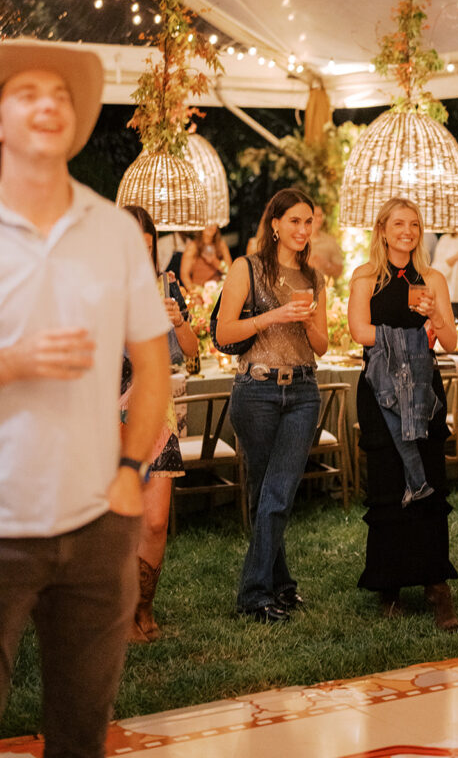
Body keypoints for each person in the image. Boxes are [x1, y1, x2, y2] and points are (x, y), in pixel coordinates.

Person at [0, 40, 170, 755]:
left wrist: (131, 473)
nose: (48, 104)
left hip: (99, 524)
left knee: (81, 734)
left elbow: (154, 367)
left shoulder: (112, 230)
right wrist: (14, 362)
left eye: (61, 95)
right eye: (27, 91)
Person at [215, 188, 328, 624]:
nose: (302, 229)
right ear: (275, 224)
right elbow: (225, 334)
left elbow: (320, 345)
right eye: (294, 221)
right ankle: (272, 589)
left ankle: (258, 591)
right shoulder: (248, 268)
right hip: (256, 389)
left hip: (302, 390)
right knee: (267, 494)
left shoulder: (315, 278)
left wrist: (310, 321)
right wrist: (272, 317)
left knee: (278, 492)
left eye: (308, 221)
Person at [347, 197, 458, 631]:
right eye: (399, 224)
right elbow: (359, 331)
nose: (407, 231)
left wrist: (435, 316)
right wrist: (413, 337)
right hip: (379, 393)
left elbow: (448, 342)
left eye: (414, 224)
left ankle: (437, 584)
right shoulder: (365, 278)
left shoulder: (432, 279)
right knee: (388, 482)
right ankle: (389, 584)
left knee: (429, 480)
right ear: (383, 229)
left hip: (424, 392)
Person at [122, 205, 199, 642]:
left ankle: (144, 607)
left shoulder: (167, 285)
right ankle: (120, 614)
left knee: (155, 522)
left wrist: (178, 320)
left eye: (146, 241)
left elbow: (189, 351)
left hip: (158, 413)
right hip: (111, 412)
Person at [180, 223, 232, 294]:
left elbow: (230, 271)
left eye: (213, 223)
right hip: (199, 292)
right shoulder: (193, 247)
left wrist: (214, 261)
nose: (210, 227)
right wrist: (194, 291)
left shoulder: (221, 245)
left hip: (218, 291)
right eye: (207, 223)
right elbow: (184, 274)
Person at [307, 204, 344, 282]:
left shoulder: (331, 241)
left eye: (321, 215)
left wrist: (326, 265)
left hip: (321, 290)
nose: (319, 219)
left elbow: (339, 271)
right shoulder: (297, 239)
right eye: (316, 215)